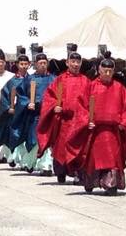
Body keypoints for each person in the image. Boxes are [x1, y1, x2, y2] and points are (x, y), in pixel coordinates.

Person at [80, 58, 126, 194]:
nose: (107, 74)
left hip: (113, 131)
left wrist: (124, 122)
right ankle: (91, 182)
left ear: (113, 71)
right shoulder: (91, 87)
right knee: (94, 158)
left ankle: (111, 184)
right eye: (105, 71)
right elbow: (82, 106)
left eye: (110, 71)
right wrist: (87, 120)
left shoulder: (119, 88)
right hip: (95, 130)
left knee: (112, 157)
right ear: (99, 70)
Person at [37, 46, 91, 184]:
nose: (75, 64)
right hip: (64, 121)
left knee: (79, 147)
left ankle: (78, 174)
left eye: (78, 62)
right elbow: (50, 96)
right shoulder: (60, 80)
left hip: (80, 120)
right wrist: (54, 107)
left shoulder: (86, 81)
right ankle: (61, 172)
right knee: (61, 147)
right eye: (73, 61)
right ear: (67, 63)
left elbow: (91, 100)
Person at [13, 48, 55, 173]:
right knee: (33, 139)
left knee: (47, 139)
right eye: (40, 63)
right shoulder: (29, 79)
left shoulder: (53, 79)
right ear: (35, 64)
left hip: (48, 114)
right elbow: (21, 94)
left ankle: (46, 166)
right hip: (34, 113)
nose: (42, 65)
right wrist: (27, 103)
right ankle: (29, 162)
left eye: (44, 63)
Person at [0, 49, 31, 164]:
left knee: (27, 135)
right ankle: (12, 157)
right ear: (17, 65)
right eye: (21, 64)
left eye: (26, 64)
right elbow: (5, 94)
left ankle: (25, 160)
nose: (23, 66)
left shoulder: (32, 79)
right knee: (14, 135)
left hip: (28, 113)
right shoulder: (13, 80)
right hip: (16, 113)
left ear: (29, 65)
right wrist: (9, 107)